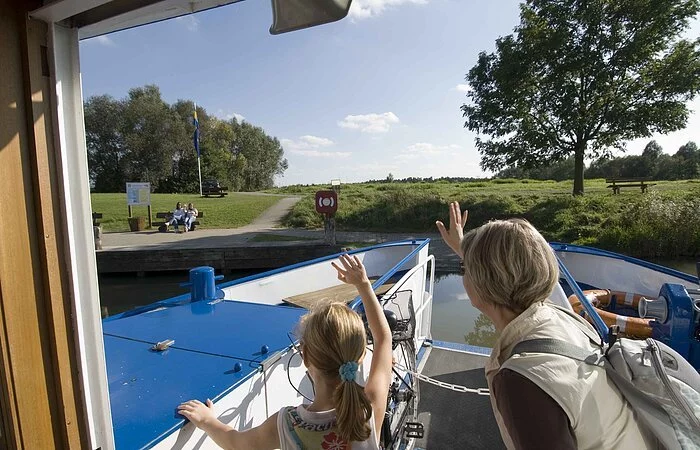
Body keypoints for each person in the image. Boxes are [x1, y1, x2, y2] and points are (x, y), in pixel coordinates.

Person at [436, 201, 655, 450]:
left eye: (464, 269)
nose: (462, 275)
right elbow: (511, 270)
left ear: (483, 281)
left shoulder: (521, 379)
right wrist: (464, 248)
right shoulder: (560, 316)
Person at [177, 254, 392, 449]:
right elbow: (383, 339)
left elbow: (237, 443)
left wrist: (207, 420)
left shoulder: (287, 424)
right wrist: (364, 286)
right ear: (361, 356)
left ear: (305, 356)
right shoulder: (368, 409)